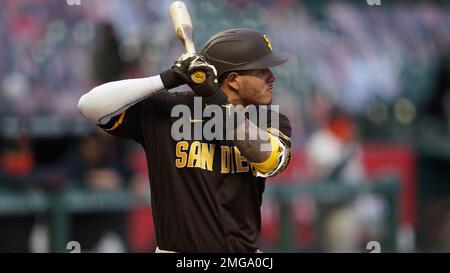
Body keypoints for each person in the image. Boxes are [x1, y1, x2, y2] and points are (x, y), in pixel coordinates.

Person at [78, 28, 292, 252]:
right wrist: (167, 78)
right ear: (234, 80)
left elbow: (269, 161)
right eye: (262, 70)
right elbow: (89, 105)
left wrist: (216, 100)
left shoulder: (269, 119)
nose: (272, 77)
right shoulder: (167, 109)